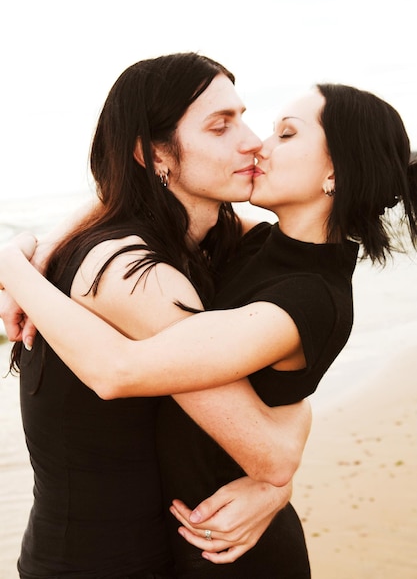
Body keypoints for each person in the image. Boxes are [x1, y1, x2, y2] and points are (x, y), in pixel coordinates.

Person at [1, 79, 417, 579]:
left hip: (235, 556)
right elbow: (154, 197)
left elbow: (117, 371)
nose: (259, 145)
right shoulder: (259, 243)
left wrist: (15, 269)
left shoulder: (303, 299)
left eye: (286, 135)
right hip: (197, 543)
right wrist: (45, 242)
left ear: (335, 172)